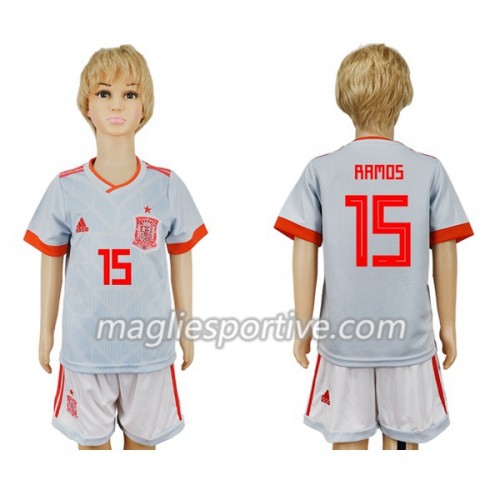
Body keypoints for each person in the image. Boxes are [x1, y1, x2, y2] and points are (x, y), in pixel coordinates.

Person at [274, 44, 473, 450]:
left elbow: (303, 246)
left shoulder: (322, 169)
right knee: (402, 444)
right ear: (403, 97)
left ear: (344, 98)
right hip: (408, 339)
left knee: (348, 444)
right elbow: (446, 247)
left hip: (345, 338)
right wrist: (449, 326)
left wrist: (303, 324)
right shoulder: (428, 169)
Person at [24, 45, 207, 450]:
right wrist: (45, 333)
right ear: (87, 106)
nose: (117, 104)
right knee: (92, 455)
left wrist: (187, 329)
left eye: (130, 93)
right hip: (85, 351)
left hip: (149, 351)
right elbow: (50, 262)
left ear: (144, 108)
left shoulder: (166, 186)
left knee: (143, 452)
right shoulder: (66, 188)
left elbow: (182, 258)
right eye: (105, 93)